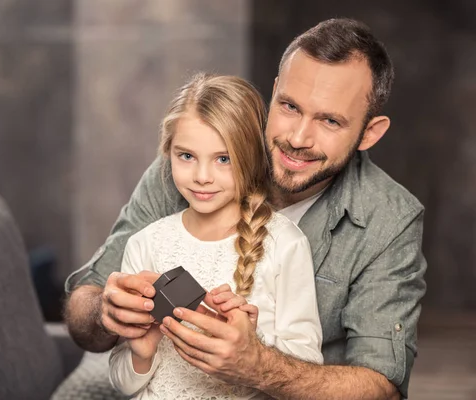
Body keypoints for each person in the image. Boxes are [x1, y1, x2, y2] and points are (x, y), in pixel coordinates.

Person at [64, 18, 427, 400]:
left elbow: (381, 385)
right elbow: (84, 310)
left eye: (330, 121)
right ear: (275, 91)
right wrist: (108, 313)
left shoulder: (390, 219)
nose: (297, 138)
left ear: (370, 132)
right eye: (289, 106)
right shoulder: (191, 161)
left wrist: (255, 364)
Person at [107, 73, 323, 399]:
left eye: (223, 159)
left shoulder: (285, 245)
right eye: (186, 156)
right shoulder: (146, 244)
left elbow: (306, 367)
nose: (202, 177)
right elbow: (123, 384)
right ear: (167, 152)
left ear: (249, 159)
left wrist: (254, 348)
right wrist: (141, 352)